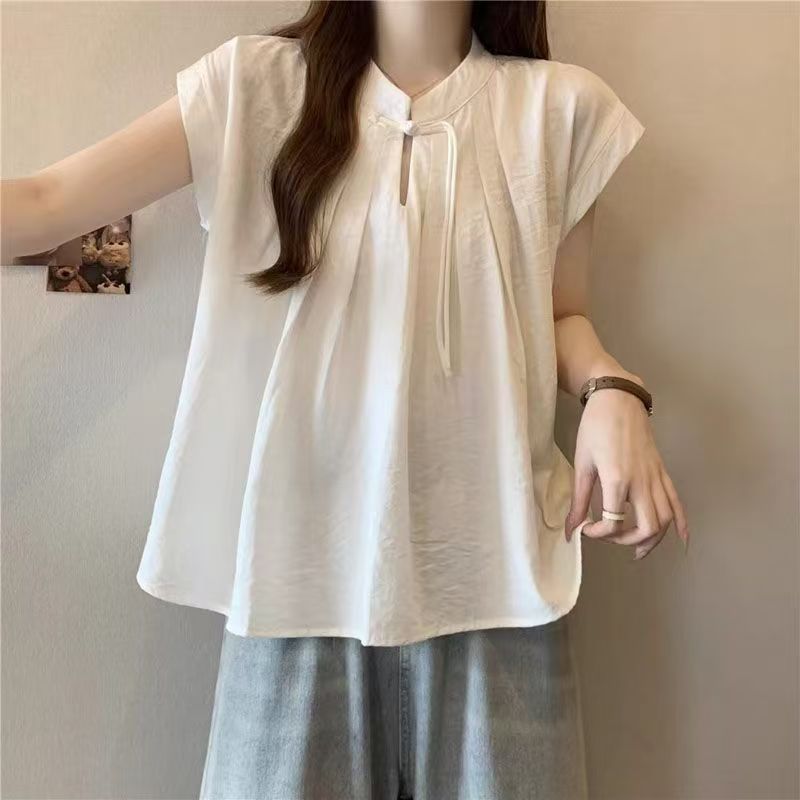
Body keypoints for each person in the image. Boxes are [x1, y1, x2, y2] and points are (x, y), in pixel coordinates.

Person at [1, 1, 690, 797]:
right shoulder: (253, 88)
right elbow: (46, 205)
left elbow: (562, 316)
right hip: (295, 580)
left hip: (497, 581)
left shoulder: (560, 110)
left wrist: (612, 390)